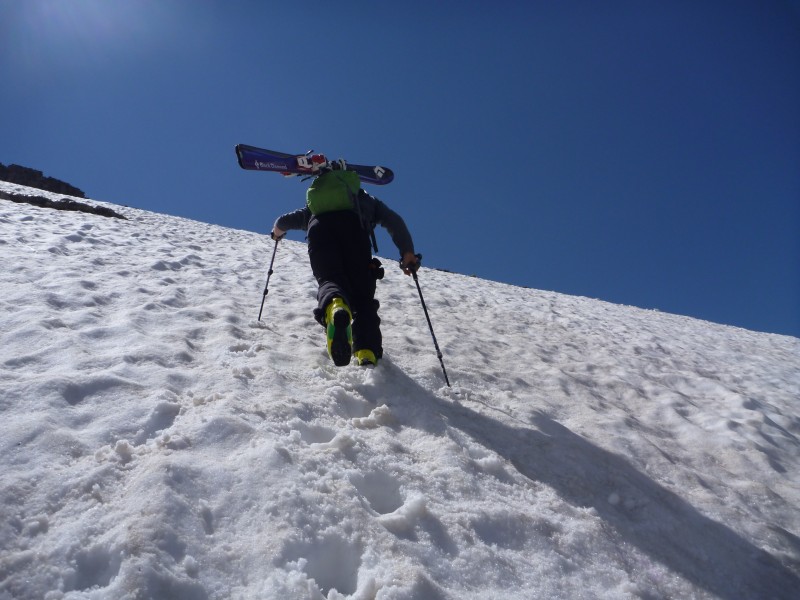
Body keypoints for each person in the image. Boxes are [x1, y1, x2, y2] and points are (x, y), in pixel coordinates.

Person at [271, 164, 419, 367]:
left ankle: (335, 306)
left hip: (320, 231)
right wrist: (407, 253)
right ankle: (366, 350)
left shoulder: (315, 206)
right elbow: (394, 221)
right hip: (355, 232)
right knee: (363, 297)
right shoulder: (365, 199)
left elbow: (282, 221)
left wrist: (276, 234)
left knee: (329, 279)